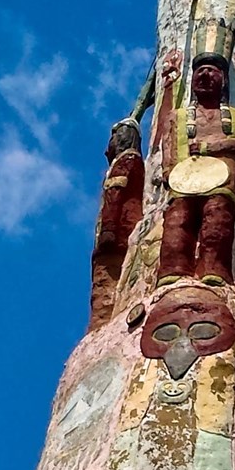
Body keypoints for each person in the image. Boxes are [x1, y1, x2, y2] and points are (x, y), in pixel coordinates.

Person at [156, 52, 235, 286]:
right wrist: (167, 171)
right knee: (177, 220)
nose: (204, 75)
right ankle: (173, 268)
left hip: (222, 178)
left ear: (223, 79)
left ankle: (215, 268)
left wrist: (212, 146)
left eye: (211, 71)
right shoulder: (178, 116)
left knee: (217, 217)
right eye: (199, 71)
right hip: (184, 178)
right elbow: (169, 144)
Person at [89, 117, 144, 329]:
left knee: (106, 283)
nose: (107, 149)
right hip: (113, 235)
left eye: (112, 140)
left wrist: (109, 229)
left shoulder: (127, 161)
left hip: (116, 236)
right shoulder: (124, 162)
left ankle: (102, 325)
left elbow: (116, 195)